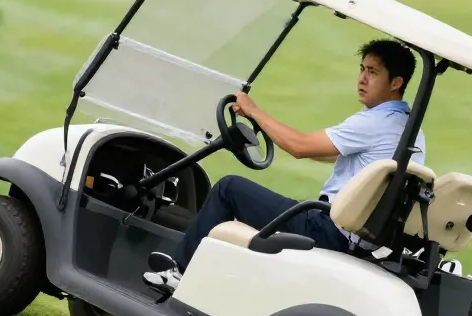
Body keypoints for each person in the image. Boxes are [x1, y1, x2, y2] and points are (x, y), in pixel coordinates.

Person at [143, 38, 426, 295]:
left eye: (373, 72)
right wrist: (282, 137)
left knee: (228, 188)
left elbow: (299, 146)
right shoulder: (411, 133)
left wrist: (254, 111)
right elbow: (328, 152)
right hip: (360, 238)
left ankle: (179, 273)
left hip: (329, 230)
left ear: (396, 83)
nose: (362, 78)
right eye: (362, 69)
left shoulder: (374, 123)